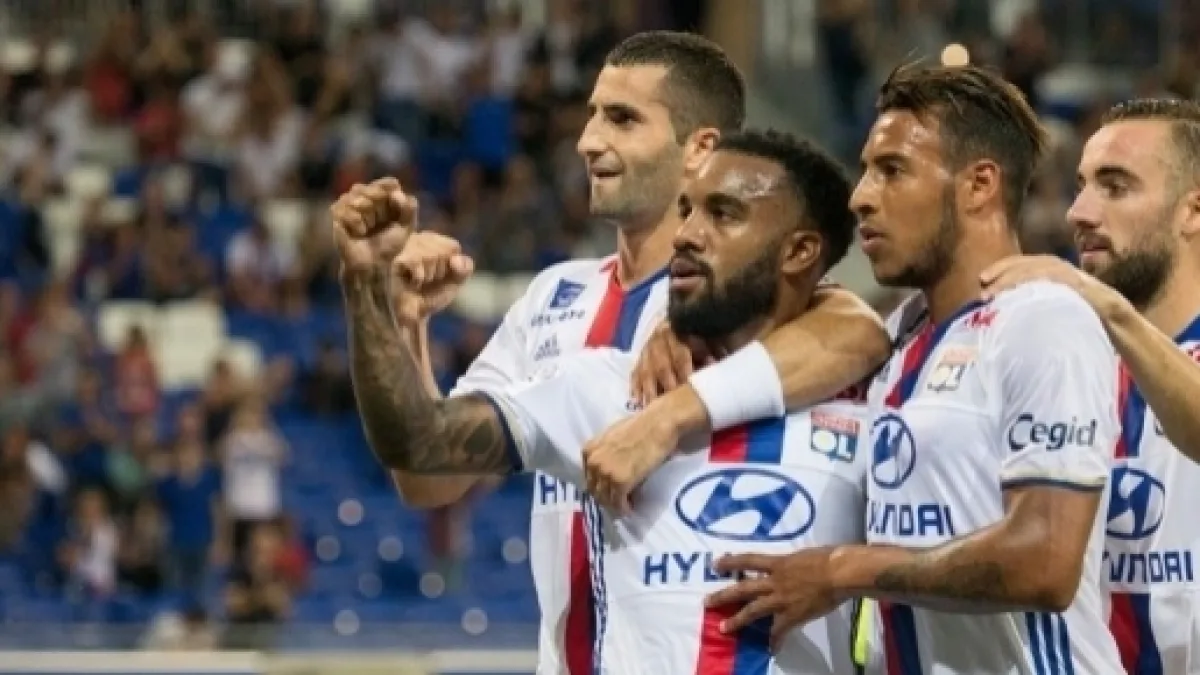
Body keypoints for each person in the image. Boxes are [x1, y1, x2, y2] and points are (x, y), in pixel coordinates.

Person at [332, 31, 890, 675]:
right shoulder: (552, 297)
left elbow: (858, 330)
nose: (588, 140)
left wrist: (669, 410)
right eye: (593, 114)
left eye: (622, 119)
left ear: (700, 148)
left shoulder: (741, 304)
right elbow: (428, 478)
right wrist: (402, 320)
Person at [705, 64, 1125, 673]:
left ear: (979, 185)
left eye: (892, 170)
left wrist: (843, 569)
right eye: (867, 169)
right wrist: (676, 330)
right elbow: (809, 322)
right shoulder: (901, 334)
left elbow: (1046, 561)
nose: (861, 195)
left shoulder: (1042, 321)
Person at [981, 98, 1200, 673]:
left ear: (1192, 211)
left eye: (1115, 187)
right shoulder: (1066, 361)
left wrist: (1105, 306)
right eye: (1080, 186)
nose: (1078, 212)